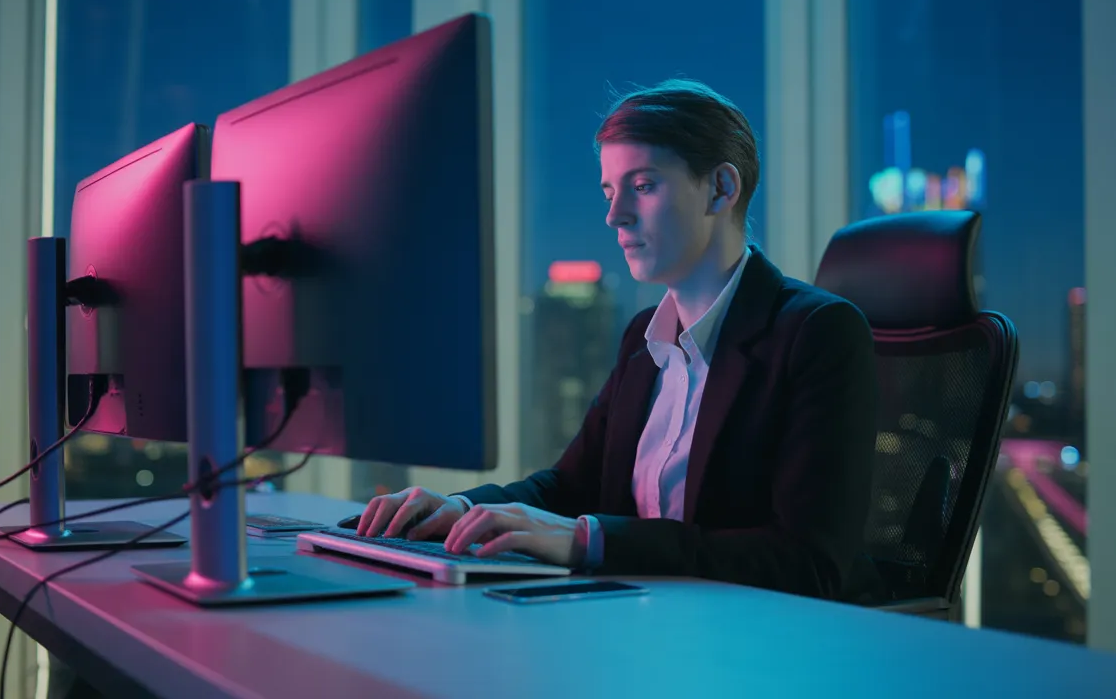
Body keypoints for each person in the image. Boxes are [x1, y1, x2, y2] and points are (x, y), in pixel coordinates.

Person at [357, 79, 878, 600]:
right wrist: (461, 509)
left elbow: (808, 564)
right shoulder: (644, 338)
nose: (615, 215)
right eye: (610, 193)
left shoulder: (816, 332)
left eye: (643, 186)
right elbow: (569, 486)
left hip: (745, 636)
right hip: (639, 615)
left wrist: (589, 540)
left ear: (721, 188)